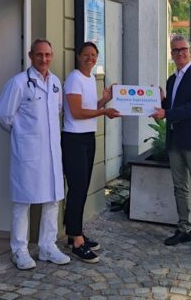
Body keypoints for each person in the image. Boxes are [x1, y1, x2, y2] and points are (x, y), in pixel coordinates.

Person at [0, 38, 71, 270]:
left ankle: (47, 246)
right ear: (30, 55)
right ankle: (19, 250)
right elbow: (2, 115)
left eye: (48, 55)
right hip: (28, 152)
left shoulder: (55, 82)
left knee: (52, 200)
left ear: (52, 55)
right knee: (22, 202)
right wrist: (22, 133)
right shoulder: (18, 83)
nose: (44, 59)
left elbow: (55, 111)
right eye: (39, 55)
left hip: (51, 152)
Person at [152, 34, 191, 257]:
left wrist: (166, 112)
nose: (180, 53)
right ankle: (184, 228)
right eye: (175, 50)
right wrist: (160, 102)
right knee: (180, 187)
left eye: (183, 49)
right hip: (175, 139)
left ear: (190, 51)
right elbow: (173, 106)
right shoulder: (172, 79)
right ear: (171, 54)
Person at [62, 41, 120, 263]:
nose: (90, 58)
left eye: (94, 55)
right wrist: (104, 110)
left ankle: (74, 232)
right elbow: (76, 112)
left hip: (87, 137)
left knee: (82, 188)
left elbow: (88, 107)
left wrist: (103, 101)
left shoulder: (89, 79)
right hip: (74, 138)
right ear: (78, 56)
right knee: (77, 188)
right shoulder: (74, 78)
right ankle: (76, 240)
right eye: (86, 54)